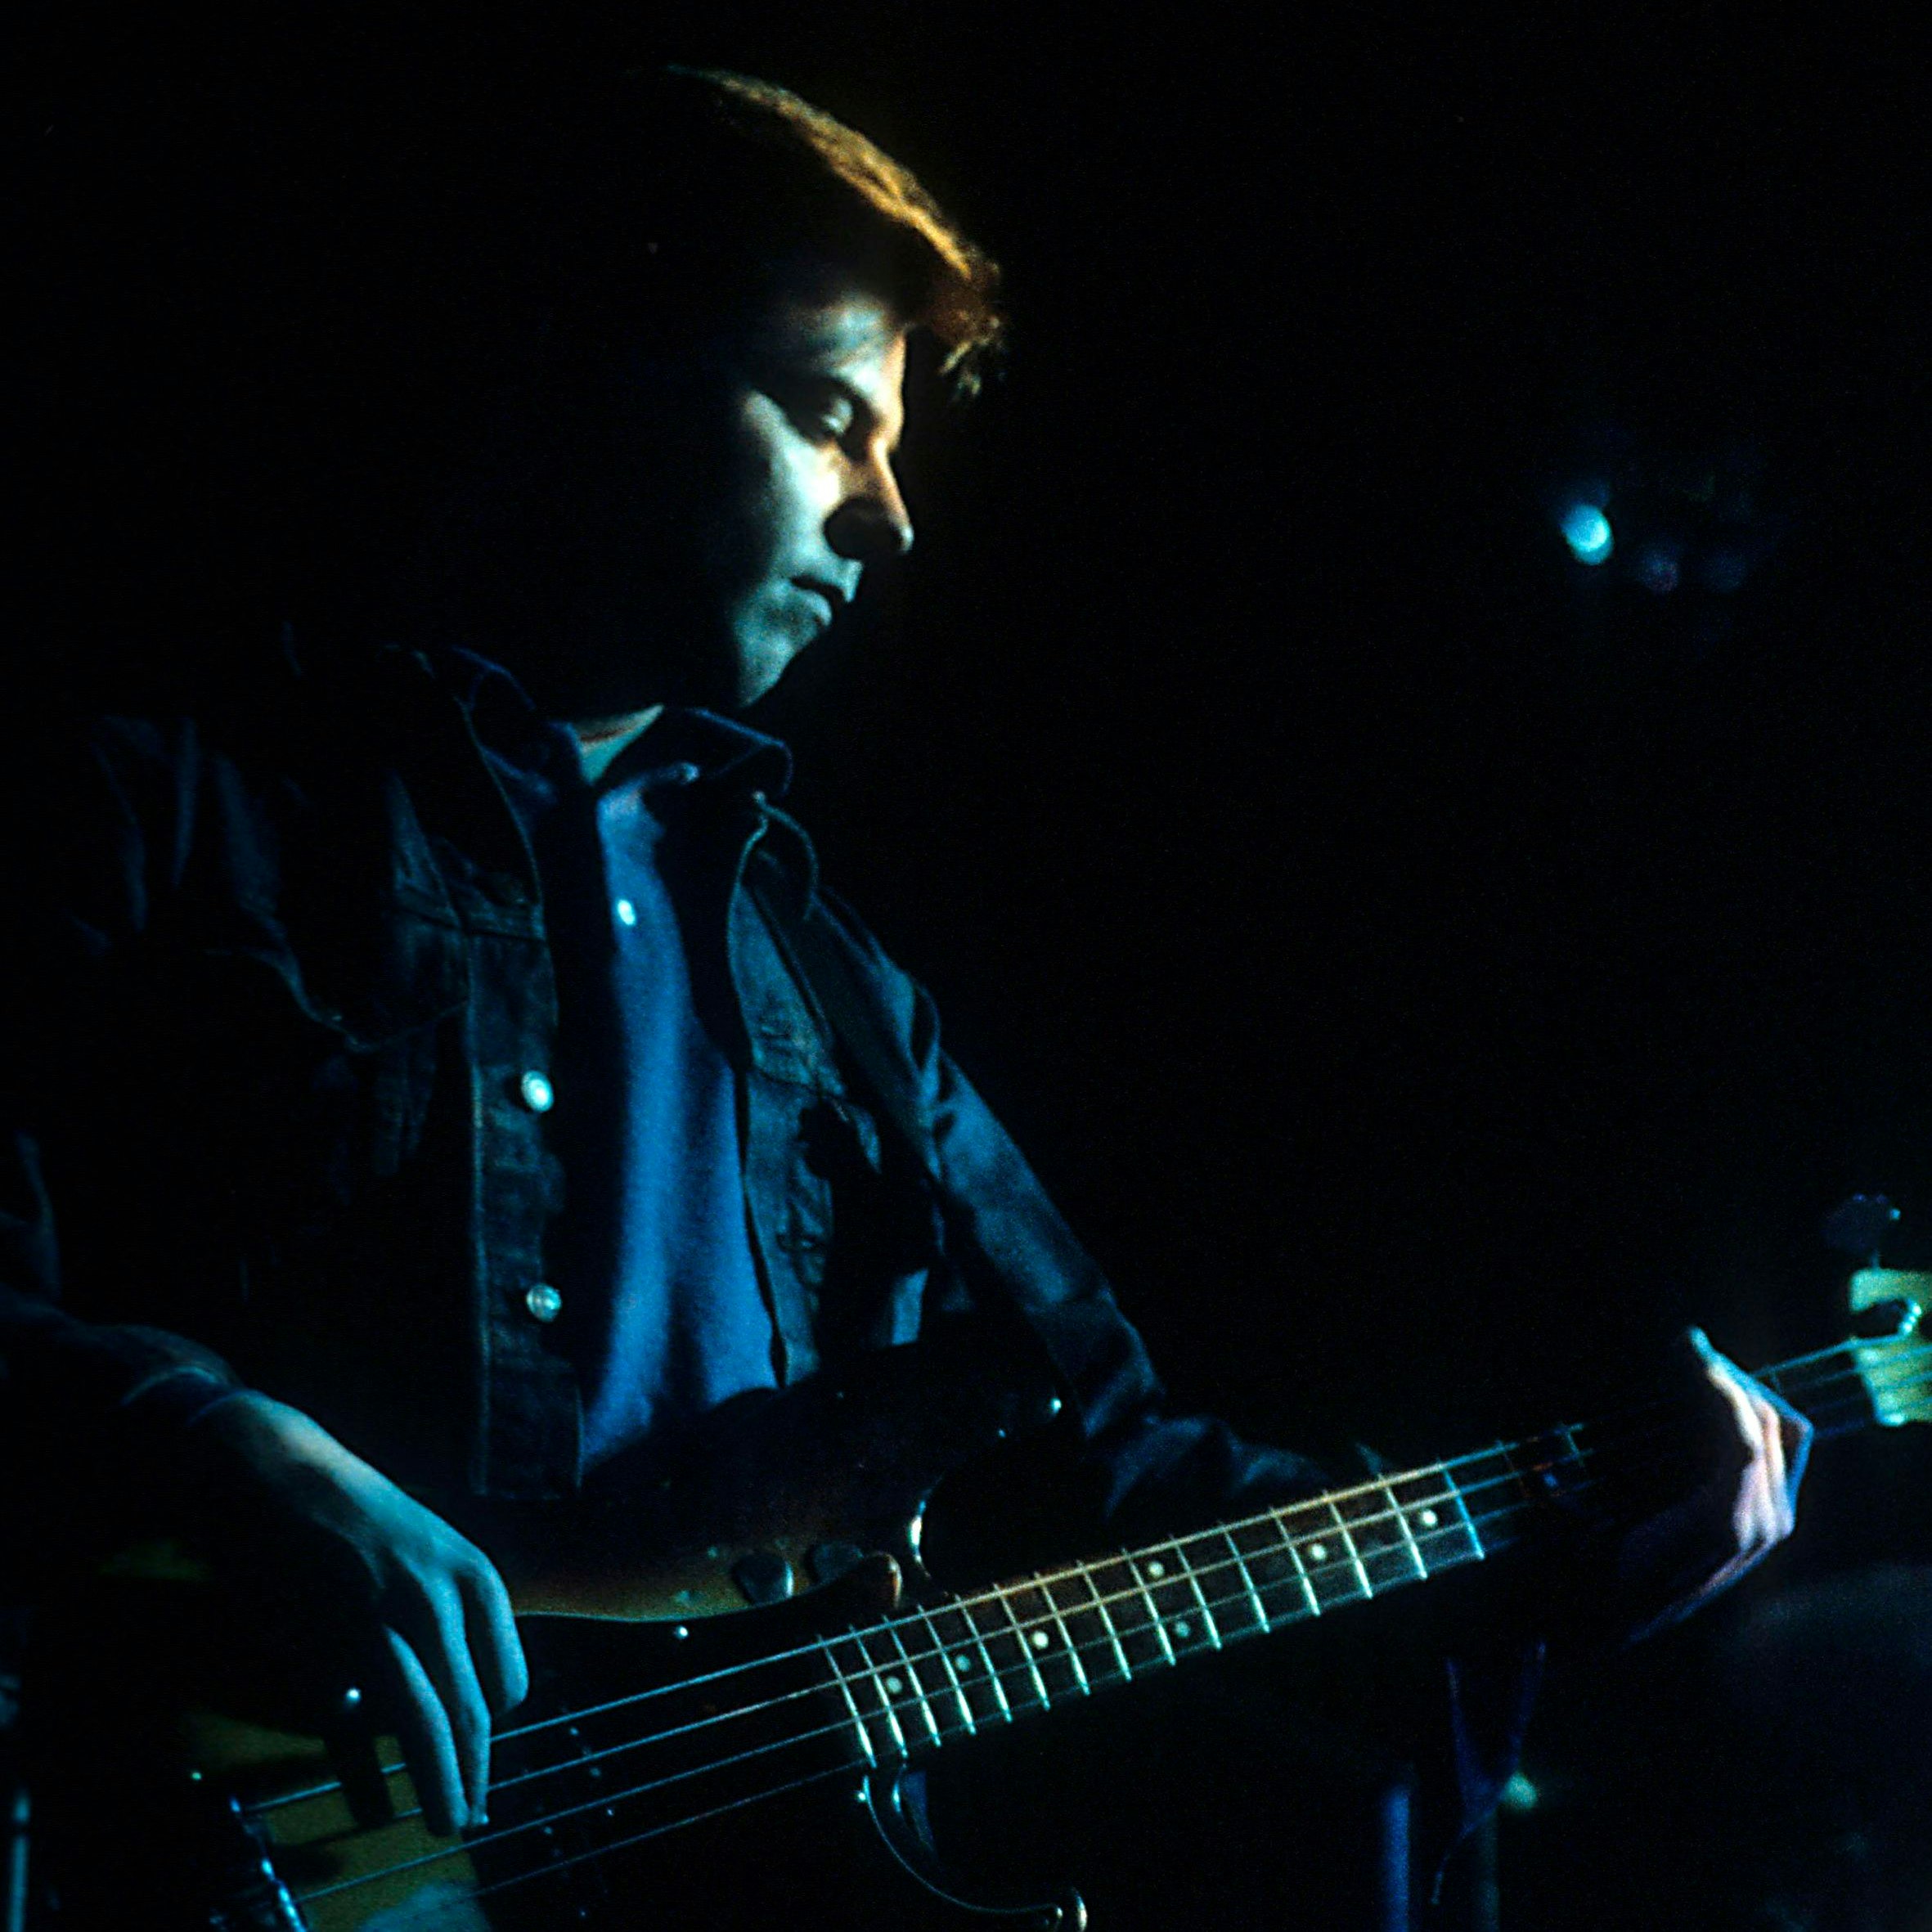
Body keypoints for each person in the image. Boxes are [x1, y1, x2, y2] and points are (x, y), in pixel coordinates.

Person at [1, 59, 1806, 1928]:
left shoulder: (839, 990)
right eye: (824, 415)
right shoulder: (163, 805)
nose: (890, 518)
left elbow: (1113, 1466)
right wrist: (208, 1439)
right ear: (604, 359)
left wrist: (1554, 1524)